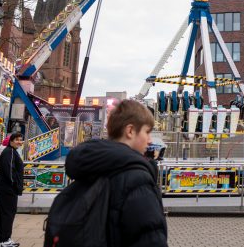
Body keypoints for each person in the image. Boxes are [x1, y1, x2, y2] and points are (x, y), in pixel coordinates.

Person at [63, 99, 167, 246]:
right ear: (130, 131)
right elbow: (150, 239)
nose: (150, 140)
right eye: (147, 132)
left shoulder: (89, 168)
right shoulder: (137, 180)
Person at [0, 132, 25, 247]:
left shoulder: (10, 151)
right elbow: (9, 171)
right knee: (8, 213)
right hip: (7, 187)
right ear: (11, 141)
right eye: (17, 139)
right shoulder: (10, 151)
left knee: (3, 213)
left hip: (3, 186)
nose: (19, 141)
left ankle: (1, 240)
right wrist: (15, 185)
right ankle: (5, 239)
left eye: (21, 140)